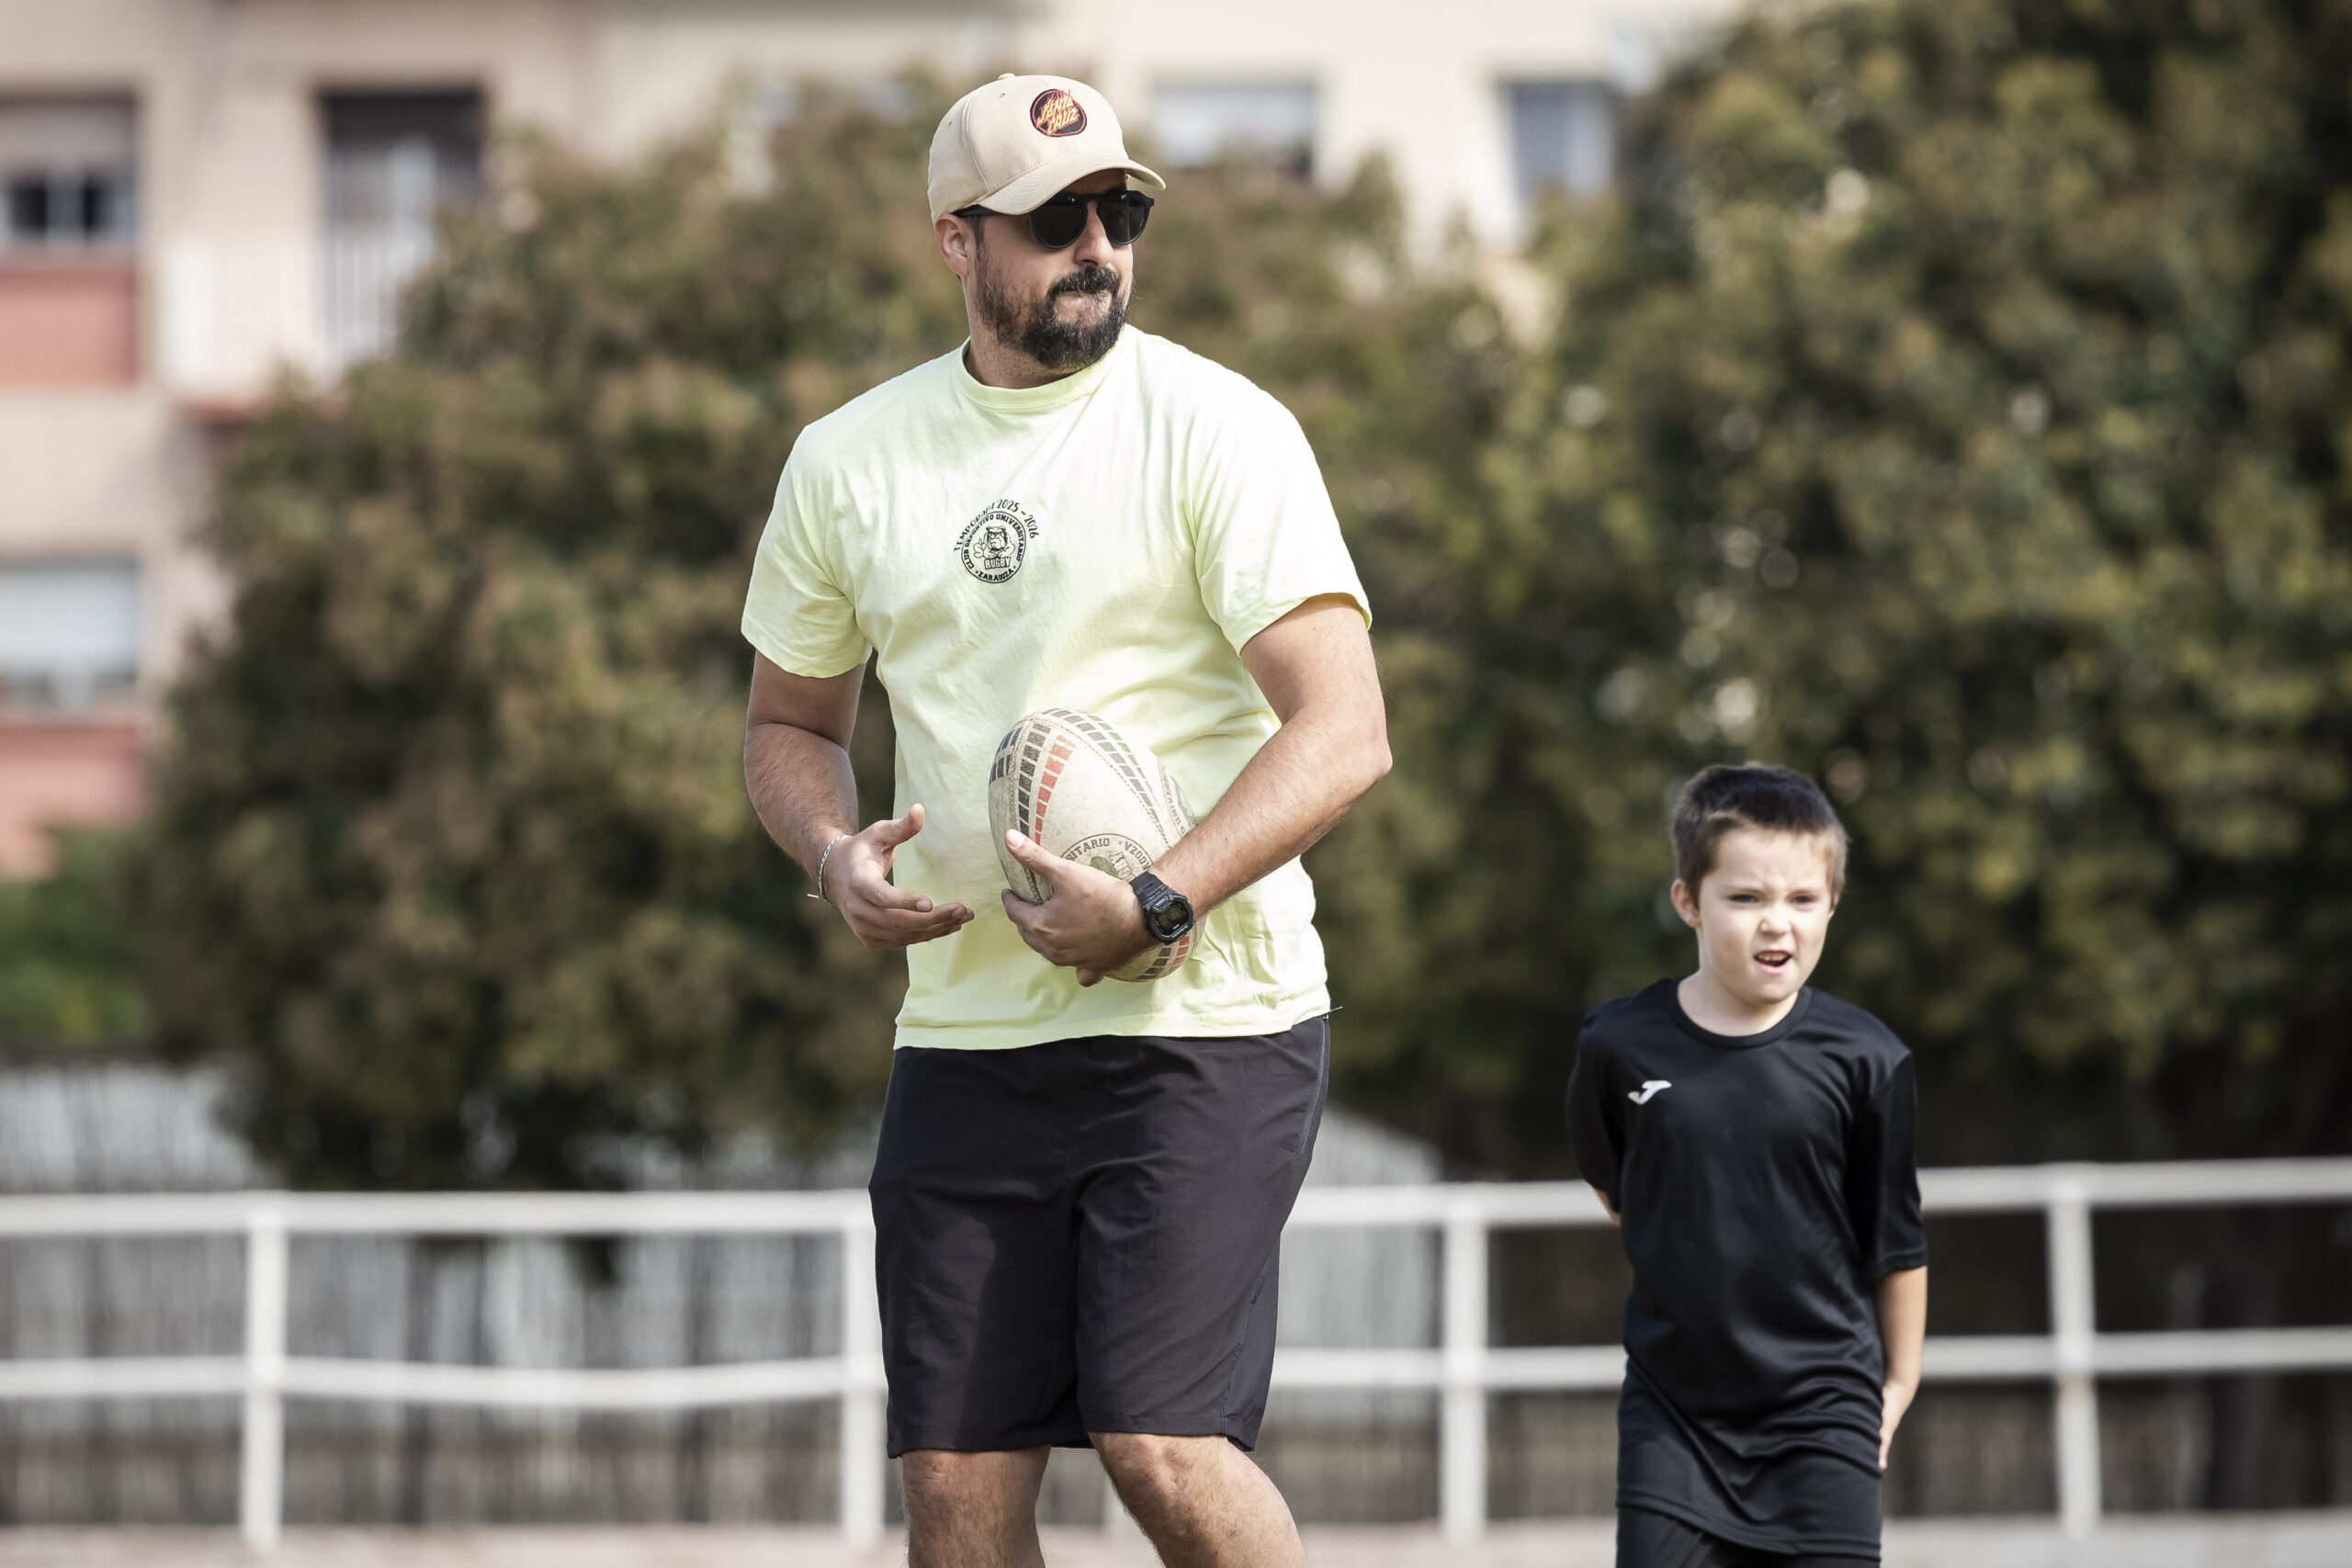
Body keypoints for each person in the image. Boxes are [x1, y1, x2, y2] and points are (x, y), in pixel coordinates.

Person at [738, 73, 1388, 1568]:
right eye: (1053, 220)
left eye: (1120, 211)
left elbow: (1346, 730)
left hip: (1208, 1025)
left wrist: (1156, 901)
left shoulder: (1219, 428)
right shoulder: (850, 461)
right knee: (957, 1501)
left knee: (1163, 1444)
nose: (1097, 243)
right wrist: (833, 853)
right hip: (968, 1043)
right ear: (958, 241)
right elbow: (788, 727)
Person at [1566, 764, 1928, 1568]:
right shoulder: (1617, 1046)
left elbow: (1895, 1243)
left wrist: (1895, 1388)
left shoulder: (1869, 1059)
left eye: (1803, 899)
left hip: (1825, 1418)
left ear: (1832, 902)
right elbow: (1618, 1186)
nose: (1778, 925)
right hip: (1674, 1420)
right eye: (1747, 898)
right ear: (1688, 901)